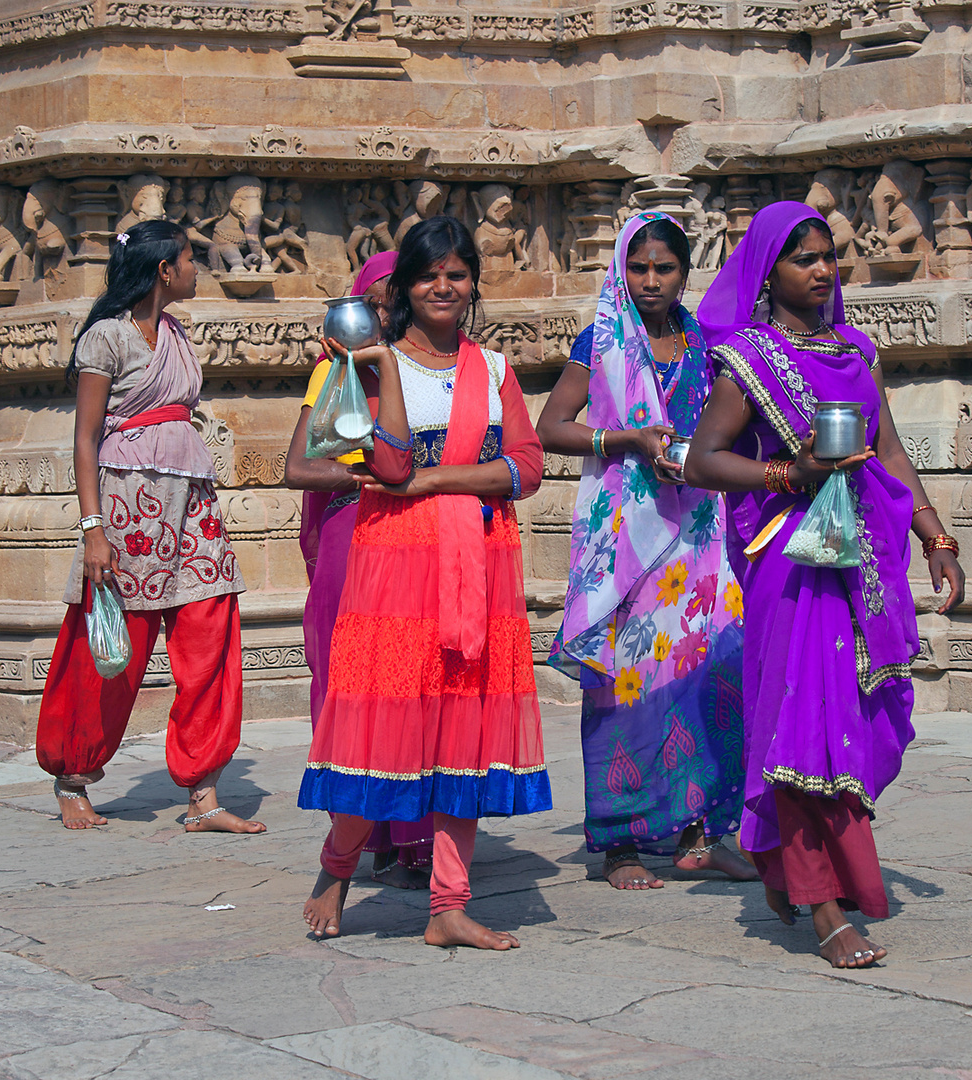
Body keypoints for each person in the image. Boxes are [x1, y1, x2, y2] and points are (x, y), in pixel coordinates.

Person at [683, 202, 966, 968]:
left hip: (862, 567)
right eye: (803, 257)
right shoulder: (747, 359)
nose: (821, 269)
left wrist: (934, 537)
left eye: (827, 256)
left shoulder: (856, 350)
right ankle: (823, 902)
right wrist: (789, 472)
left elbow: (891, 452)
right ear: (767, 271)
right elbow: (702, 459)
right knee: (800, 722)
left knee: (856, 715)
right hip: (790, 564)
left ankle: (787, 868)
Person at [298, 216, 549, 948]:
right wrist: (386, 370)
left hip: (479, 562)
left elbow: (527, 468)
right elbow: (391, 469)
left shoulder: (495, 369)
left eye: (458, 274)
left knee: (463, 735)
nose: (445, 286)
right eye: (429, 274)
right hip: (396, 566)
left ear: (473, 285)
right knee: (385, 728)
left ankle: (449, 903)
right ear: (404, 286)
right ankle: (338, 865)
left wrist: (443, 479)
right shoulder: (368, 371)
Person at [537, 213, 756, 891]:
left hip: (697, 536)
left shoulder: (703, 340)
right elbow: (551, 427)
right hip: (625, 538)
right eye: (639, 268)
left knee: (709, 675)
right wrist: (625, 442)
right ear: (620, 272)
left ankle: (700, 835)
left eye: (664, 268)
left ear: (685, 274)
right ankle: (621, 844)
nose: (651, 281)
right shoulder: (602, 338)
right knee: (624, 682)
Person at [36, 220, 264, 836]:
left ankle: (205, 793)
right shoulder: (108, 338)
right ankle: (73, 774)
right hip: (127, 506)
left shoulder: (179, 334)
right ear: (165, 269)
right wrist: (92, 530)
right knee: (111, 646)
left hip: (191, 503)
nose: (198, 270)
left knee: (209, 633)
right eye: (191, 260)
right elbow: (85, 437)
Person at [285, 250, 434, 888]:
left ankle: (418, 837)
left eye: (388, 301)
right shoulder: (335, 372)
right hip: (357, 526)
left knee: (417, 676)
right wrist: (370, 476)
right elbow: (298, 466)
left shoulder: (429, 366)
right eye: (368, 302)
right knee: (356, 680)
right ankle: (366, 834)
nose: (377, 313)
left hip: (421, 530)